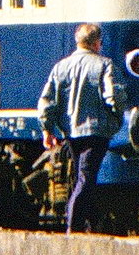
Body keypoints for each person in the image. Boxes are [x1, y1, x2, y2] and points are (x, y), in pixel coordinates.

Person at [37, 23, 127, 233]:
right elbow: (114, 96)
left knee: (82, 175)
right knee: (86, 177)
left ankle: (90, 224)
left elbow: (47, 101)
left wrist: (47, 129)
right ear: (97, 43)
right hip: (97, 131)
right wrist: (116, 116)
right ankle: (74, 225)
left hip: (71, 131)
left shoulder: (61, 67)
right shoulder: (105, 65)